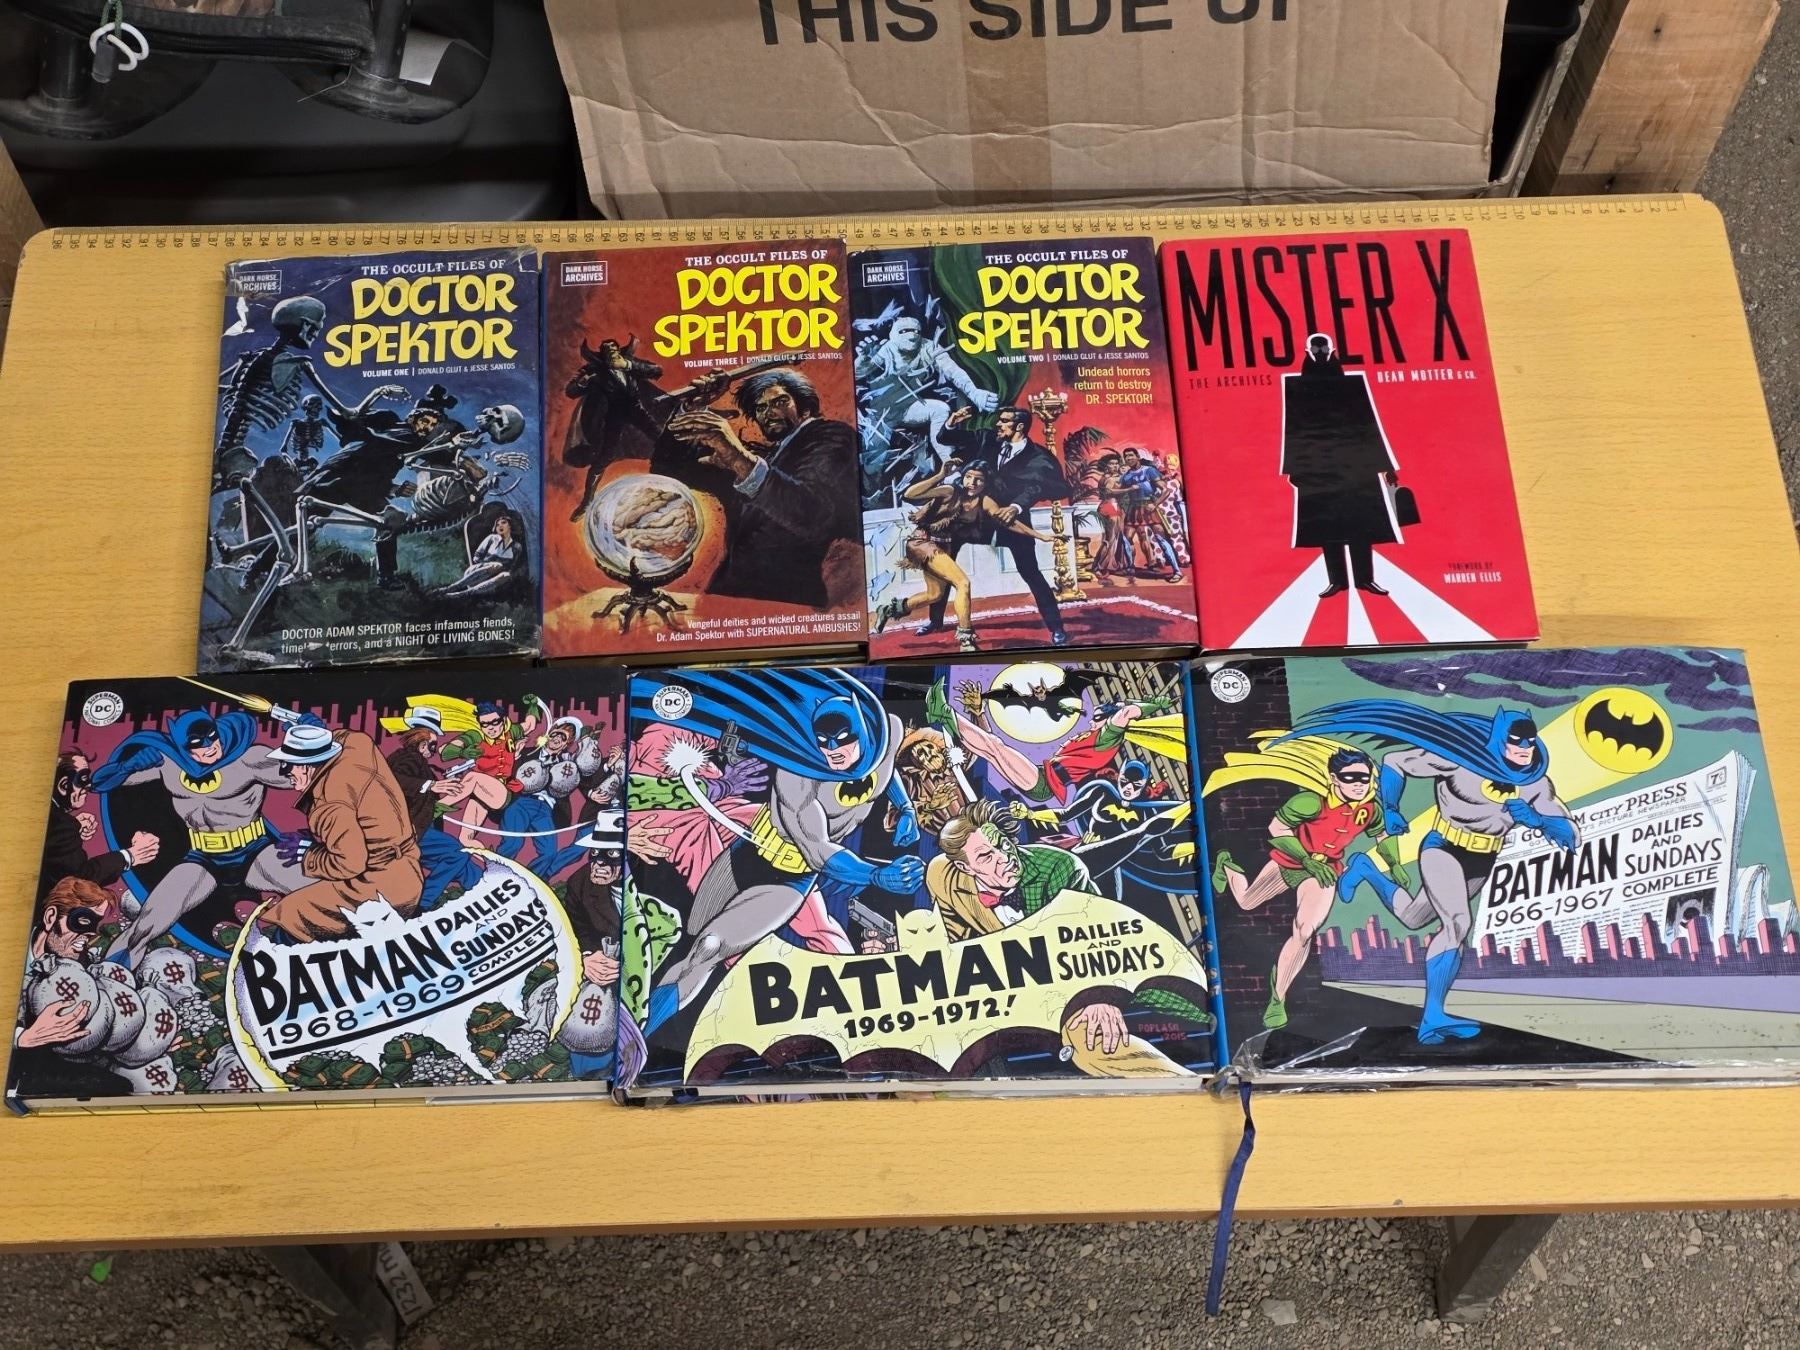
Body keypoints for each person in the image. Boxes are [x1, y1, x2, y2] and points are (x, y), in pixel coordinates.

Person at [1278, 701, 1577, 1044]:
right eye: (1516, 740)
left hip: (1483, 858)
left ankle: (1365, 869)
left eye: (1530, 741)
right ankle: (1433, 1018)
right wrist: (1391, 807)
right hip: (1443, 848)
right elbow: (1395, 762)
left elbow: (1570, 833)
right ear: (1499, 739)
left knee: (1413, 917)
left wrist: (1538, 820)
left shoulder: (1535, 784)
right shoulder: (1459, 759)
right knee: (1457, 924)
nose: (1524, 748)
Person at [94, 708, 306, 967]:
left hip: (254, 852)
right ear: (183, 747)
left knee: (325, 893)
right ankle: (111, 976)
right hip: (203, 860)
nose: (209, 746)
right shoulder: (169, 764)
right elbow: (100, 783)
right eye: (197, 742)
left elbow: (303, 776)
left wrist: (308, 742)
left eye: (211, 736)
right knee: (145, 925)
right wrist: (128, 766)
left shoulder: (247, 759)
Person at [1210, 748, 1401, 1029]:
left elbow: (1381, 835)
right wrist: (1305, 859)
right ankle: (1227, 865)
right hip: (1290, 862)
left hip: (1325, 871)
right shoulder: (1311, 802)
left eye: (1364, 777)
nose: (1359, 784)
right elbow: (1277, 828)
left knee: (1304, 930)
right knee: (1247, 901)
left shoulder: (1370, 810)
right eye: (1350, 777)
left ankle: (1278, 998)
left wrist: (1394, 864)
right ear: (1334, 778)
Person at [657, 367, 860, 611]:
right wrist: (692, 408)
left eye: (780, 402)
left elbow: (811, 514)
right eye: (760, 408)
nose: (768, 413)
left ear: (805, 407)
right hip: (727, 597)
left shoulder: (831, 436)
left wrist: (738, 458)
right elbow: (669, 470)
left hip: (788, 603)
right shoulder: (760, 458)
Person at [257, 722, 424, 942]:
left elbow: (349, 864)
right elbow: (348, 737)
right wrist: (312, 729)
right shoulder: (358, 747)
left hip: (383, 890)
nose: (285, 773)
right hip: (410, 871)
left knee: (290, 913)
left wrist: (309, 854)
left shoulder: (330, 804)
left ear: (307, 766)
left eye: (289, 765)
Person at [873, 457, 1052, 652]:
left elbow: (1008, 521)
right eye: (968, 477)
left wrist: (1039, 535)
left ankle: (888, 610)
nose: (972, 483)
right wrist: (941, 475)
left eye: (978, 479)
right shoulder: (950, 491)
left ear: (986, 482)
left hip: (944, 546)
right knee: (963, 583)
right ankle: (966, 639)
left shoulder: (985, 501)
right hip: (924, 543)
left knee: (935, 594)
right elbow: (910, 494)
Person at [1279, 333, 1401, 599]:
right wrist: (1295, 469)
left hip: (1355, 467)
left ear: (1332, 350)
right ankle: (1337, 582)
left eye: (1323, 348)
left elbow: (1368, 426)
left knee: (1360, 524)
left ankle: (1365, 579)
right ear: (1308, 350)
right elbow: (1294, 431)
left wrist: (1386, 467)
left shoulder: (1351, 385)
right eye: (1316, 348)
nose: (1320, 352)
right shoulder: (1298, 387)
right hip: (1317, 469)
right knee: (1327, 526)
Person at [939, 405, 1071, 645]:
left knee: (1030, 572)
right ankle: (935, 620)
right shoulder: (987, 439)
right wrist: (952, 422)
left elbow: (1043, 487)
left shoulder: (1038, 457)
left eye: (1003, 421)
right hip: (974, 517)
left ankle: (1057, 629)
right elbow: (945, 438)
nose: (997, 425)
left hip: (1013, 521)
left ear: (1019, 426)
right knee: (943, 559)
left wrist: (1016, 507)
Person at [854, 314, 998, 494]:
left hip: (909, 409)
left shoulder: (929, 347)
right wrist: (863, 360)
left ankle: (951, 470)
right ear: (894, 334)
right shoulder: (886, 349)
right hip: (880, 414)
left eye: (915, 331)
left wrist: (974, 392)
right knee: (872, 464)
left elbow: (953, 371)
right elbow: (859, 373)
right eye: (904, 331)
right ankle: (871, 493)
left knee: (940, 409)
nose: (911, 335)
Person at [924, 799, 1092, 942]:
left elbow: (1081, 939)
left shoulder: (1062, 868)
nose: (1005, 858)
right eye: (986, 856)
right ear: (965, 867)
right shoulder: (943, 877)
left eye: (1003, 844)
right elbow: (954, 943)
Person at [43, 751, 158, 895]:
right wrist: (131, 855)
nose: (88, 785)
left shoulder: (53, 819)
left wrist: (71, 829)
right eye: (83, 778)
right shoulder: (62, 825)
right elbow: (80, 880)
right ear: (64, 786)